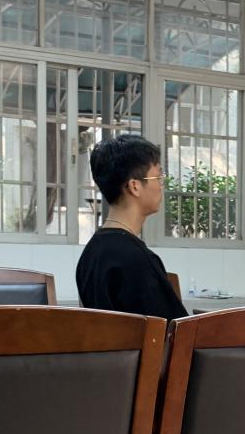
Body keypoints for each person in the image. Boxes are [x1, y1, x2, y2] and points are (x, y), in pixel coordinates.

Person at [76, 134, 187, 320]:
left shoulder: (91, 253)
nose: (161, 185)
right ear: (135, 186)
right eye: (158, 177)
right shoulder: (138, 260)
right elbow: (174, 330)